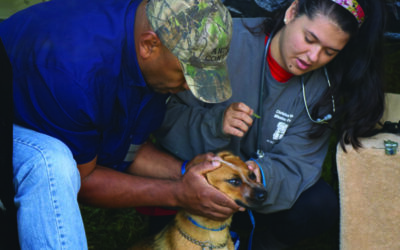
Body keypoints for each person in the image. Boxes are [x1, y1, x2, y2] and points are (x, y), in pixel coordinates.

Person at [0, 0, 244, 248]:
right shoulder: (76, 75)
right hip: (12, 121)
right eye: (186, 74)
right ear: (149, 45)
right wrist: (179, 193)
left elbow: (125, 147)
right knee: (53, 163)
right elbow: (83, 180)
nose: (188, 88)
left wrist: (185, 171)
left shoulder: (148, 41)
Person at [155, 0, 387, 248]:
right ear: (292, 12)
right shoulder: (222, 41)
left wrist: (261, 174)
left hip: (252, 194)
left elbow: (300, 162)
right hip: (199, 178)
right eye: (309, 39)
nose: (313, 57)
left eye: (329, 52)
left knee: (319, 204)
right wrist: (215, 123)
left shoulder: (321, 89)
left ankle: (257, 238)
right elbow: (166, 114)